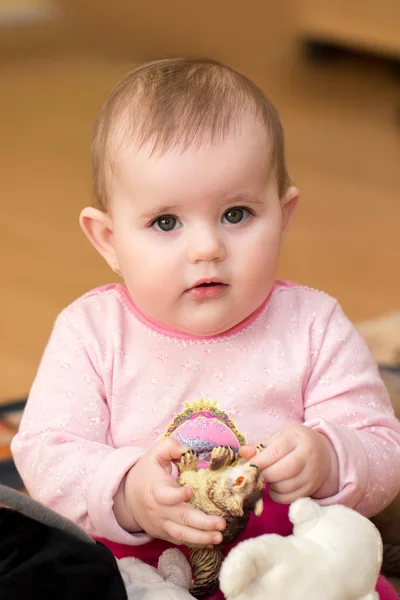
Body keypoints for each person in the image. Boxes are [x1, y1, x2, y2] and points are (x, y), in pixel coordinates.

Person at [11, 58, 400, 599]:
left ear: (283, 215)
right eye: (166, 223)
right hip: (140, 575)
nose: (207, 248)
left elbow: (385, 450)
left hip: (289, 571)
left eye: (237, 214)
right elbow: (47, 456)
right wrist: (126, 491)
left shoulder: (314, 326)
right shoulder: (92, 334)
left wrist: (330, 457)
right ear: (107, 239)